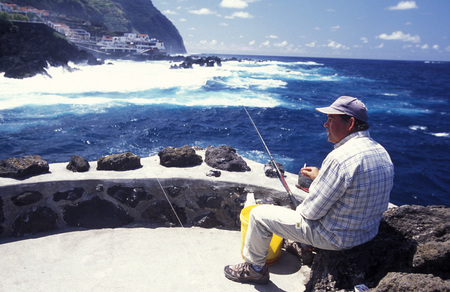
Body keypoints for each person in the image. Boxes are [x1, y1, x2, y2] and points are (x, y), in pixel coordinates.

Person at [224, 96, 394, 284]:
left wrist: (308, 200)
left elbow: (311, 213)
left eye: (331, 119)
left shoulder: (340, 158)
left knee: (258, 215)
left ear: (351, 123)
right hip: (366, 232)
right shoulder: (381, 151)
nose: (325, 124)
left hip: (336, 238)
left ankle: (255, 269)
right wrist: (322, 177)